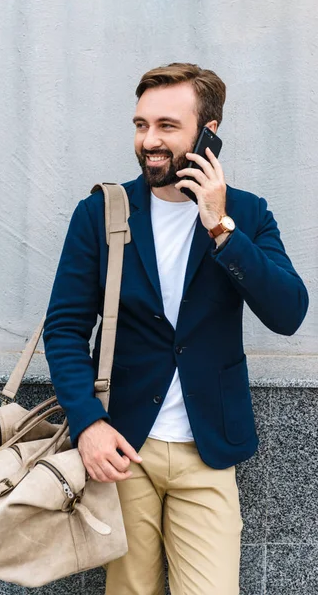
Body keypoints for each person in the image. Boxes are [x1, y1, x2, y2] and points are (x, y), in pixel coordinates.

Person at [43, 63, 309, 595]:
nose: (149, 141)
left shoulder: (247, 214)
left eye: (167, 125)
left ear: (207, 132)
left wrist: (219, 226)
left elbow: (288, 313)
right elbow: (65, 328)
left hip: (206, 449)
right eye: (142, 125)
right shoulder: (100, 212)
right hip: (122, 447)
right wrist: (89, 423)